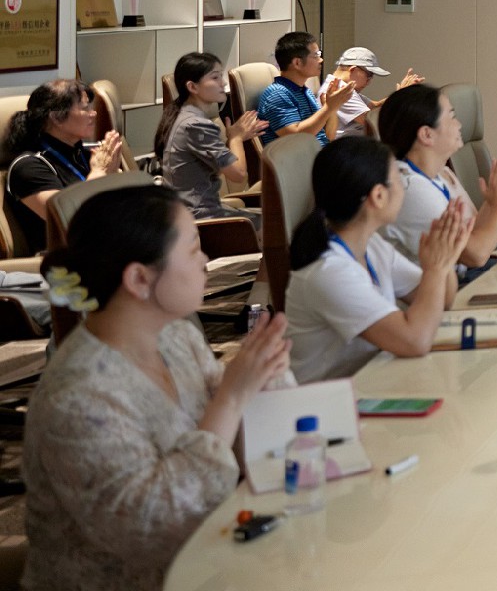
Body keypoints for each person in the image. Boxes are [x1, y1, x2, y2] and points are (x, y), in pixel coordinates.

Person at [23, 185, 292, 591]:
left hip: (209, 560)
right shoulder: (77, 397)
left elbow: (242, 444)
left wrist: (262, 378)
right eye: (193, 248)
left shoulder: (175, 337)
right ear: (139, 278)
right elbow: (158, 526)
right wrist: (233, 396)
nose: (205, 260)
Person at [285, 136, 471, 384]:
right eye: (398, 179)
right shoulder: (329, 272)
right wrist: (436, 269)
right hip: (329, 402)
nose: (404, 187)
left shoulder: (372, 245)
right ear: (378, 196)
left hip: (371, 383)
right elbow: (415, 341)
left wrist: (444, 257)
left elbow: (443, 300)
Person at [377, 82, 497, 267]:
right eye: (452, 117)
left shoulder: (441, 172)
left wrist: (494, 201)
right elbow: (476, 256)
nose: (459, 125)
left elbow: (473, 231)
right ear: (427, 134)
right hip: (454, 281)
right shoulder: (410, 189)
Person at [2, 78, 125, 256]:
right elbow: (67, 218)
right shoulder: (28, 166)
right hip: (65, 260)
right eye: (85, 108)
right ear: (56, 117)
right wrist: (99, 173)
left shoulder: (84, 155)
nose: (93, 113)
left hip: (106, 246)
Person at [156, 52, 267, 225]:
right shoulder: (196, 126)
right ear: (192, 87)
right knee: (277, 225)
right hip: (203, 219)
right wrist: (236, 138)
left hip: (199, 213)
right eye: (215, 78)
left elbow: (212, 166)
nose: (223, 83)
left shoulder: (184, 117)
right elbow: (238, 175)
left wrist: (234, 138)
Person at [255, 30, 354, 145]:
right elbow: (295, 137)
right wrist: (328, 108)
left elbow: (329, 136)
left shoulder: (305, 91)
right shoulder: (277, 94)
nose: (321, 60)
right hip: (300, 156)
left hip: (321, 152)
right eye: (316, 55)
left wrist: (332, 108)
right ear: (297, 63)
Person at [328, 46, 424, 137]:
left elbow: (374, 106)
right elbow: (371, 121)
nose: (369, 82)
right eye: (369, 75)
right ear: (353, 69)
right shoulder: (338, 89)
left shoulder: (341, 87)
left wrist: (400, 93)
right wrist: (401, 95)